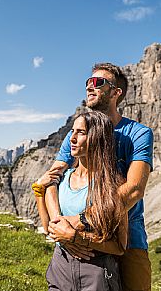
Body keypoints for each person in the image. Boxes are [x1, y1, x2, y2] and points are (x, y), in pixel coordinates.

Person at [34, 62, 153, 291]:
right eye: (88, 82)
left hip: (128, 238)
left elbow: (135, 189)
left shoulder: (138, 134)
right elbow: (52, 179)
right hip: (78, 236)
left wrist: (78, 222)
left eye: (99, 82)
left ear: (116, 92)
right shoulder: (77, 134)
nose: (90, 86)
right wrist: (62, 231)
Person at [34, 111, 128, 290]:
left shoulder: (112, 186)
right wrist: (39, 190)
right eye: (72, 131)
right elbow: (48, 228)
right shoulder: (60, 180)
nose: (72, 138)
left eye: (81, 132)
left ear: (97, 138)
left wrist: (79, 238)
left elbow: (119, 246)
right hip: (61, 267)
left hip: (96, 273)